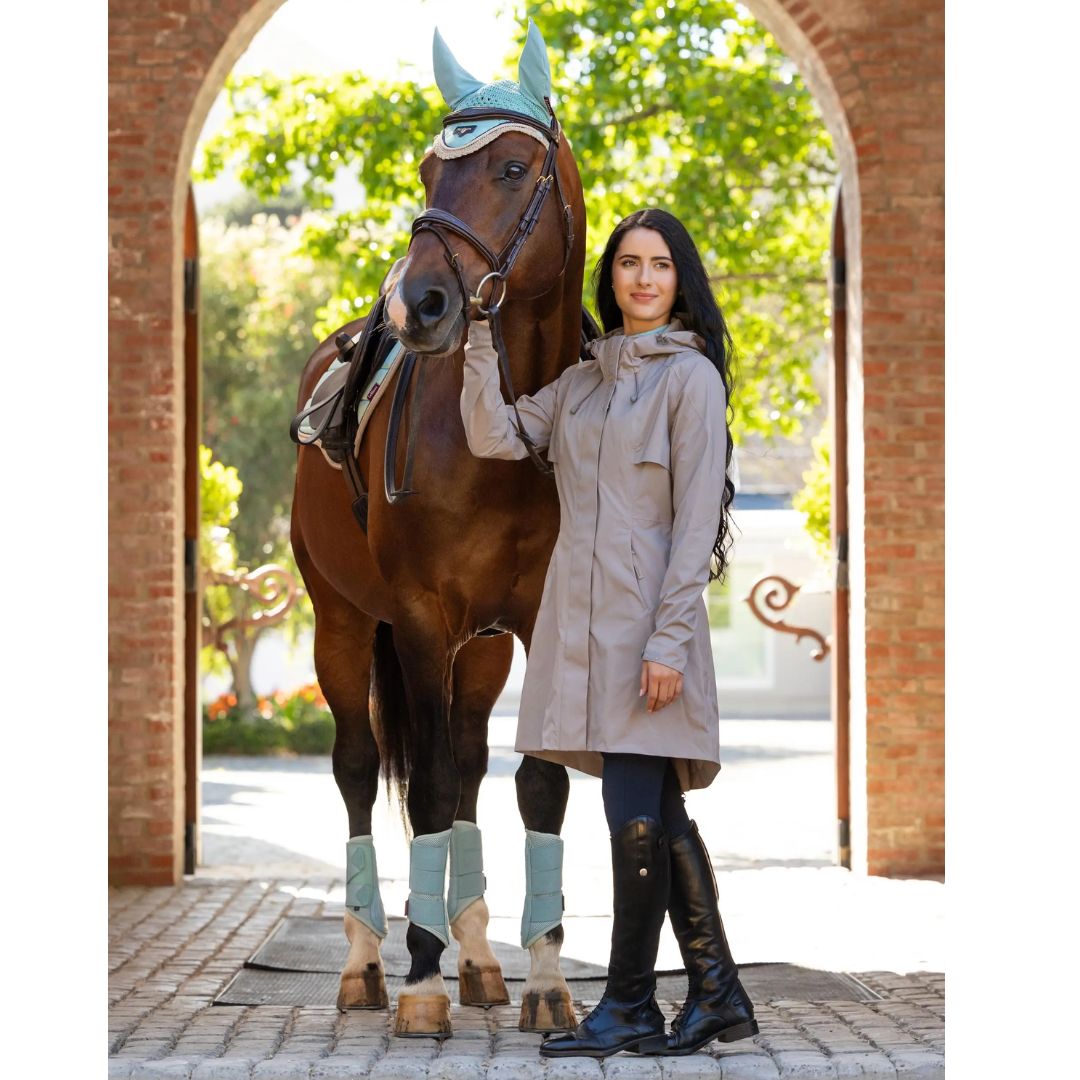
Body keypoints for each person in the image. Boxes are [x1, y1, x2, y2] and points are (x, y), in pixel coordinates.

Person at [459, 208, 757, 1058]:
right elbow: (497, 433)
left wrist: (668, 642)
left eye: (660, 265)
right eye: (628, 264)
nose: (642, 279)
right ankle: (717, 994)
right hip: (584, 634)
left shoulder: (690, 381)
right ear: (611, 279)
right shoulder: (586, 384)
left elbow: (697, 517)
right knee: (655, 813)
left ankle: (629, 1004)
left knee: (633, 814)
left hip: (649, 634)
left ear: (680, 279)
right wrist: (480, 336)